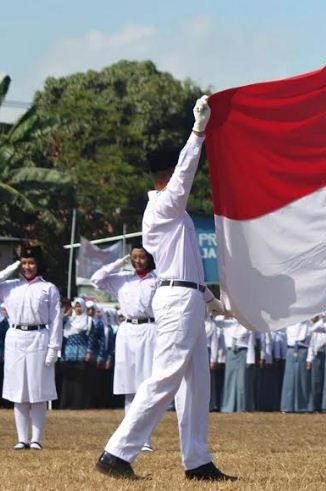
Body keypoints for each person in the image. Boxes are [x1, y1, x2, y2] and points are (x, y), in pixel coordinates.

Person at [96, 95, 234, 481]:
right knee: (166, 377)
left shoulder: (174, 212)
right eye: (176, 172)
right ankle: (117, 452)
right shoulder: (163, 207)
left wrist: (213, 302)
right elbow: (186, 175)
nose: (181, 178)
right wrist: (197, 133)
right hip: (175, 298)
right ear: (167, 174)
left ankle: (198, 460)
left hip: (187, 295)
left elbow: (187, 269)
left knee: (196, 384)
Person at [90, 245, 158, 449]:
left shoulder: (157, 280)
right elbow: (96, 279)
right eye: (134, 257)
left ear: (149, 258)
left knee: (145, 385)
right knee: (129, 387)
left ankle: (145, 438)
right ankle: (130, 437)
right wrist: (119, 263)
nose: (137, 261)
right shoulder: (122, 280)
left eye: (141, 257)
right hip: (127, 331)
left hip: (150, 329)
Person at [0, 246, 63, 450]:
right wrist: (13, 266)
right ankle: (21, 438)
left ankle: (36, 439)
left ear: (39, 264)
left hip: (39, 337)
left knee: (37, 390)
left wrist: (54, 348)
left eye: (31, 262)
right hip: (16, 337)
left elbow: (56, 320)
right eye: (24, 263)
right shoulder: (9, 287)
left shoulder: (48, 288)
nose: (28, 267)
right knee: (18, 390)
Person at [280, 318, 312, 413]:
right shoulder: (288, 322)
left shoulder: (307, 323)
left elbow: (311, 343)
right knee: (289, 379)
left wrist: (309, 358)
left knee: (302, 379)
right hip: (291, 350)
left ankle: (303, 406)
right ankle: (287, 406)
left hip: (303, 350)